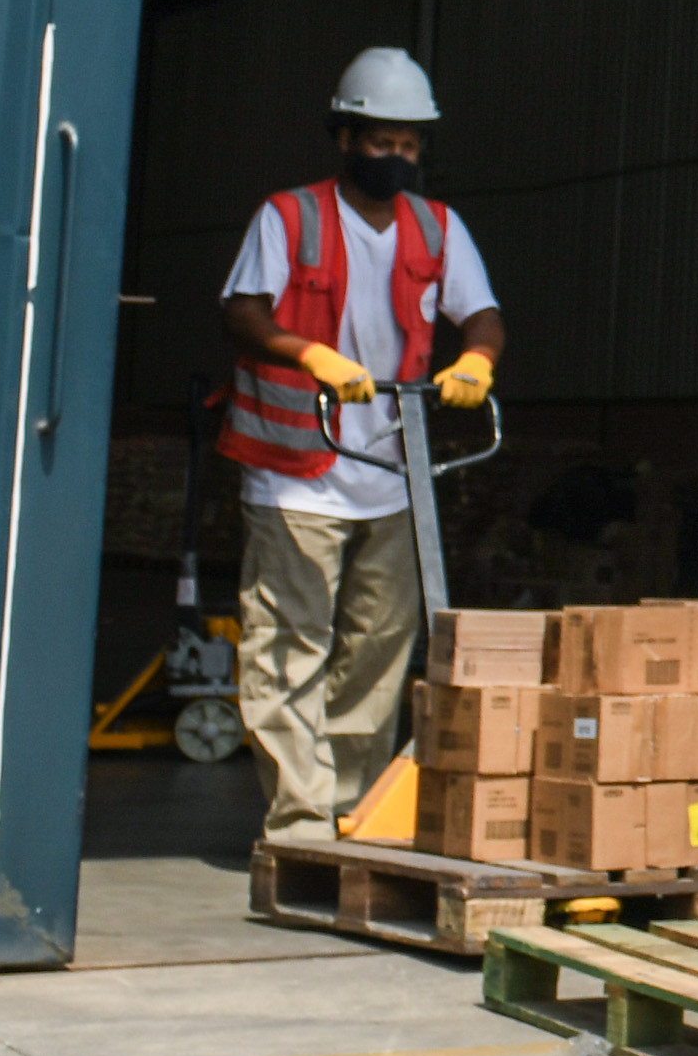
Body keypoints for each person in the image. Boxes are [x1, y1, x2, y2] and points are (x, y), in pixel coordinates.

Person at [215, 48, 504, 848]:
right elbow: (242, 311)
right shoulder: (289, 217)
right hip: (294, 472)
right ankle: (299, 819)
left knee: (379, 648)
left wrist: (477, 359)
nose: (397, 159)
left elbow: (481, 314)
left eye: (410, 146)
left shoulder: (438, 228)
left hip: (389, 470)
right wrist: (307, 354)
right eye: (382, 142)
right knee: (289, 646)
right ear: (345, 137)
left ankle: (347, 804)